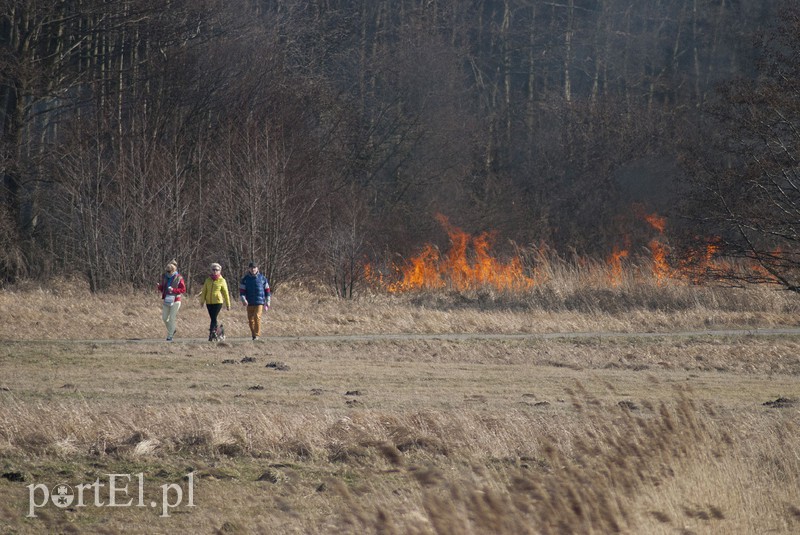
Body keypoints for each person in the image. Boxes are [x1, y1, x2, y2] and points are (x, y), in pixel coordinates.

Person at [239, 261, 271, 340]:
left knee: (257, 317)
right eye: (251, 268)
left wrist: (268, 300)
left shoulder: (262, 278)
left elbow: (267, 290)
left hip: (259, 302)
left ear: (257, 268)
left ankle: (257, 334)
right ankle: (253, 334)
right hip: (249, 302)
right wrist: (243, 300)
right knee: (250, 320)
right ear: (249, 269)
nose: (253, 269)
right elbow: (242, 291)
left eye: (254, 268)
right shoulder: (245, 279)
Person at [199, 262, 231, 341]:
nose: (215, 271)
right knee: (213, 318)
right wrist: (202, 302)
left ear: (219, 271)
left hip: (218, 302)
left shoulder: (222, 280)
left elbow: (225, 293)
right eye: (213, 270)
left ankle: (212, 334)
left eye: (216, 270)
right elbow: (204, 291)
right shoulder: (208, 280)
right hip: (209, 302)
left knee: (213, 318)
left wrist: (228, 304)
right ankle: (217, 332)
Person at [157, 259, 186, 341]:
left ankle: (170, 335)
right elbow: (163, 288)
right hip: (167, 300)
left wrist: (173, 290)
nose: (168, 273)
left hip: (176, 300)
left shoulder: (179, 278)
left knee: (172, 317)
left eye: (169, 271)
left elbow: (183, 289)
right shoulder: (165, 277)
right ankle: (172, 330)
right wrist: (160, 287)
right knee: (164, 318)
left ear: (174, 271)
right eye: (167, 271)